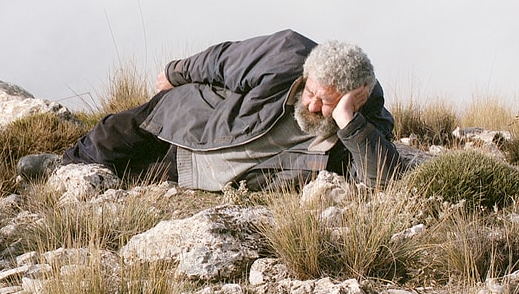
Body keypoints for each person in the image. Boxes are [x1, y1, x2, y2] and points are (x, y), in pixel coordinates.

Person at [61, 28, 403, 190]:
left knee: (126, 177)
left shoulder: (365, 126)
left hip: (196, 174)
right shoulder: (286, 54)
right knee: (107, 138)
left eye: (326, 101)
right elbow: (221, 61)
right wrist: (173, 72)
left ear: (354, 97)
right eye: (310, 90)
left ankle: (64, 173)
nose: (311, 105)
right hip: (191, 119)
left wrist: (348, 121)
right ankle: (57, 166)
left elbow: (382, 182)